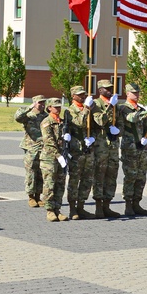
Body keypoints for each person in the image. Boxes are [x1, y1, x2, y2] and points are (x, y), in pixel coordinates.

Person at [117, 83, 147, 216]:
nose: (136, 94)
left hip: (141, 147)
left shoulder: (140, 108)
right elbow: (132, 118)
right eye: (134, 92)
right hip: (129, 147)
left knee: (141, 176)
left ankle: (137, 202)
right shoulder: (124, 108)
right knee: (131, 176)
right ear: (127, 93)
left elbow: (146, 125)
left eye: (138, 92)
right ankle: (128, 204)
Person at [92, 80, 122, 218]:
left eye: (111, 88)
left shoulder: (116, 105)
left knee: (111, 176)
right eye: (107, 88)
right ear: (100, 90)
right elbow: (100, 121)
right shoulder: (96, 104)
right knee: (100, 175)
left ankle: (107, 205)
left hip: (113, 146)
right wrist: (110, 106)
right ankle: (98, 207)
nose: (110, 90)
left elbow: (121, 123)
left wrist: (118, 130)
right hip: (101, 146)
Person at [65, 87, 96, 220]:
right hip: (76, 150)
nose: (83, 96)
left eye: (84, 94)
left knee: (87, 180)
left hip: (88, 149)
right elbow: (79, 122)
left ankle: (81, 207)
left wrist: (93, 137)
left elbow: (94, 125)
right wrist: (87, 109)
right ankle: (72, 209)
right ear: (73, 96)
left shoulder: (88, 107)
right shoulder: (69, 111)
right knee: (74, 180)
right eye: (80, 95)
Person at [38, 98, 70, 222]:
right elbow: (49, 142)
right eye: (55, 107)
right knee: (49, 184)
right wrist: (58, 156)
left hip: (62, 157)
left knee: (60, 184)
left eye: (59, 106)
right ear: (49, 108)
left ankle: (58, 209)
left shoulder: (62, 122)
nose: (58, 109)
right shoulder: (46, 122)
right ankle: (50, 210)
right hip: (49, 159)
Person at [14, 95, 47, 207]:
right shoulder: (28, 115)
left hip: (43, 148)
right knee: (31, 172)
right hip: (31, 148)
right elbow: (17, 117)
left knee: (41, 173)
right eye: (40, 103)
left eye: (44, 103)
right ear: (34, 103)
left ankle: (38, 196)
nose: (42, 105)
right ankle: (31, 197)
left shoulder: (46, 116)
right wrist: (29, 107)